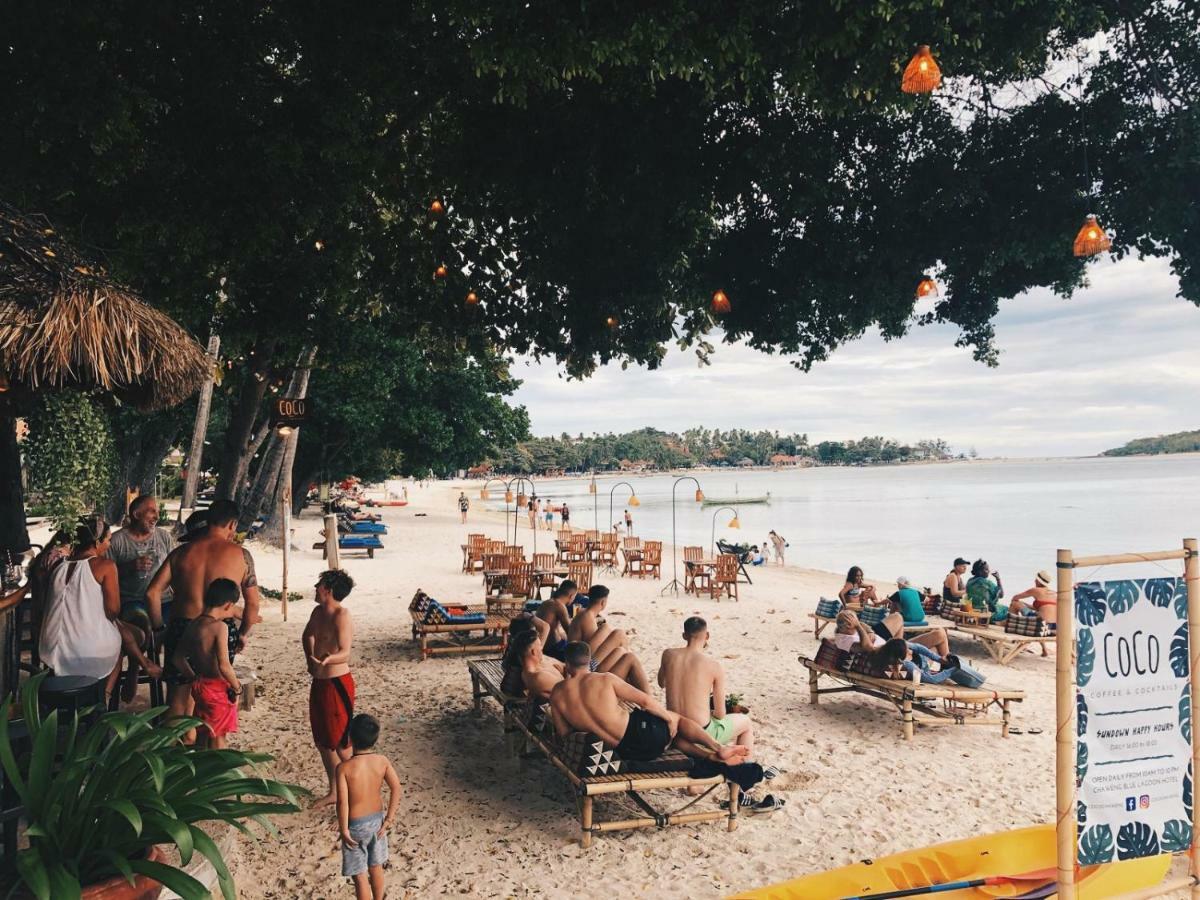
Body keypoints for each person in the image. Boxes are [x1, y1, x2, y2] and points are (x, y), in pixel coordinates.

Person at [145, 500, 261, 734]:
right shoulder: (241, 555)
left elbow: (152, 593)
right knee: (214, 693)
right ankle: (207, 755)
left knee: (178, 698)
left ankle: (175, 757)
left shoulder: (181, 553)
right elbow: (253, 604)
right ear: (232, 524)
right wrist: (243, 634)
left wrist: (159, 629)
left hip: (181, 627)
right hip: (218, 630)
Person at [549, 642, 749, 765]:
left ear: (567, 664)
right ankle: (716, 747)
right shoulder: (604, 679)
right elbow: (645, 701)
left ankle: (709, 757)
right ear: (589, 660)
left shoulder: (557, 693)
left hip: (624, 752)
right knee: (676, 721)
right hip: (644, 737)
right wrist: (668, 719)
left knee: (673, 740)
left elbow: (563, 733)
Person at [37, 516, 161, 698]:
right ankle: (104, 697)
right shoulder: (105, 566)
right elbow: (113, 611)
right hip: (84, 649)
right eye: (108, 540)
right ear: (97, 542)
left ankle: (139, 666)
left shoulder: (59, 567)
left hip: (50, 647)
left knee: (117, 632)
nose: (109, 545)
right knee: (125, 638)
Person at [659, 617, 755, 758]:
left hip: (674, 728)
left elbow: (662, 683)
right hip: (701, 732)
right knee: (746, 723)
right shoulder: (713, 666)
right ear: (707, 636)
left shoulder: (668, 654)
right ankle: (744, 771)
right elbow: (720, 714)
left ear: (684, 635)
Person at [303, 569, 357, 808]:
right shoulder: (317, 612)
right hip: (320, 682)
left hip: (337, 683)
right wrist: (309, 659)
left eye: (319, 585)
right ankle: (335, 791)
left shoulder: (341, 615)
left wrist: (327, 660)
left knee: (342, 744)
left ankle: (357, 794)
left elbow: (345, 651)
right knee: (323, 741)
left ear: (328, 590)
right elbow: (307, 636)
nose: (315, 588)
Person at [171, 578, 241, 749]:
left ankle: (202, 770)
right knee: (218, 737)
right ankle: (220, 775)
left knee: (204, 732)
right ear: (227, 605)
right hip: (217, 687)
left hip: (200, 687)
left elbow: (177, 658)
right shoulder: (219, 627)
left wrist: (194, 678)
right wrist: (237, 687)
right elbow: (224, 665)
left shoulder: (193, 625)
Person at [337, 714, 401, 900]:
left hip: (355, 826)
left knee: (360, 876)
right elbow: (396, 787)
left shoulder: (344, 768)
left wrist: (343, 829)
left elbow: (343, 802)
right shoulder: (382, 761)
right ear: (375, 738)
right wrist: (389, 818)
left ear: (350, 738)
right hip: (377, 823)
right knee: (376, 868)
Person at [566, 586, 652, 691]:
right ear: (603, 602)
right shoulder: (587, 617)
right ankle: (629, 671)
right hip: (584, 665)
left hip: (579, 659)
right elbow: (590, 651)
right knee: (619, 638)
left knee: (613, 636)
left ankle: (627, 664)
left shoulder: (584, 613)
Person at [107, 494, 176, 616]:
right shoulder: (116, 541)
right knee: (139, 620)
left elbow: (175, 570)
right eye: (152, 511)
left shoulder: (164, 537)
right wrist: (130, 567)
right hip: (132, 601)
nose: (157, 517)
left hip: (164, 600)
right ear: (137, 515)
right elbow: (105, 578)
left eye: (158, 512)